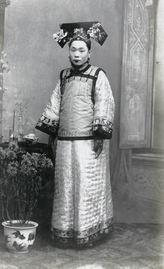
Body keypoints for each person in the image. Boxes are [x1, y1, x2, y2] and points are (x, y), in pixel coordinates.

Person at [35, 21, 115, 248]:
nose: (77, 54)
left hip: (89, 144)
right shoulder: (64, 77)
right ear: (68, 52)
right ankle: (65, 231)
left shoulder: (98, 75)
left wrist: (100, 134)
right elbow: (55, 104)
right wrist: (53, 131)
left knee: (86, 186)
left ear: (89, 52)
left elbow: (104, 104)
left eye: (82, 50)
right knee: (66, 187)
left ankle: (89, 231)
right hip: (66, 143)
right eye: (73, 49)